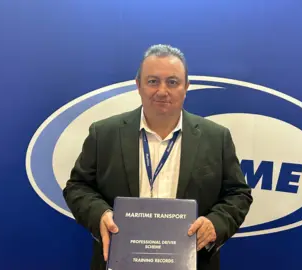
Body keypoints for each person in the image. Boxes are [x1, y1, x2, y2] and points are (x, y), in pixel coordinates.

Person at [63, 44, 253, 270]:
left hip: (191, 262)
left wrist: (216, 224)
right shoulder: (104, 134)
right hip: (120, 261)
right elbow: (77, 187)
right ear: (138, 86)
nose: (162, 91)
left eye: (172, 82)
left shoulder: (217, 138)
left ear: (186, 87)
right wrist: (100, 215)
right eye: (153, 81)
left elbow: (238, 194)